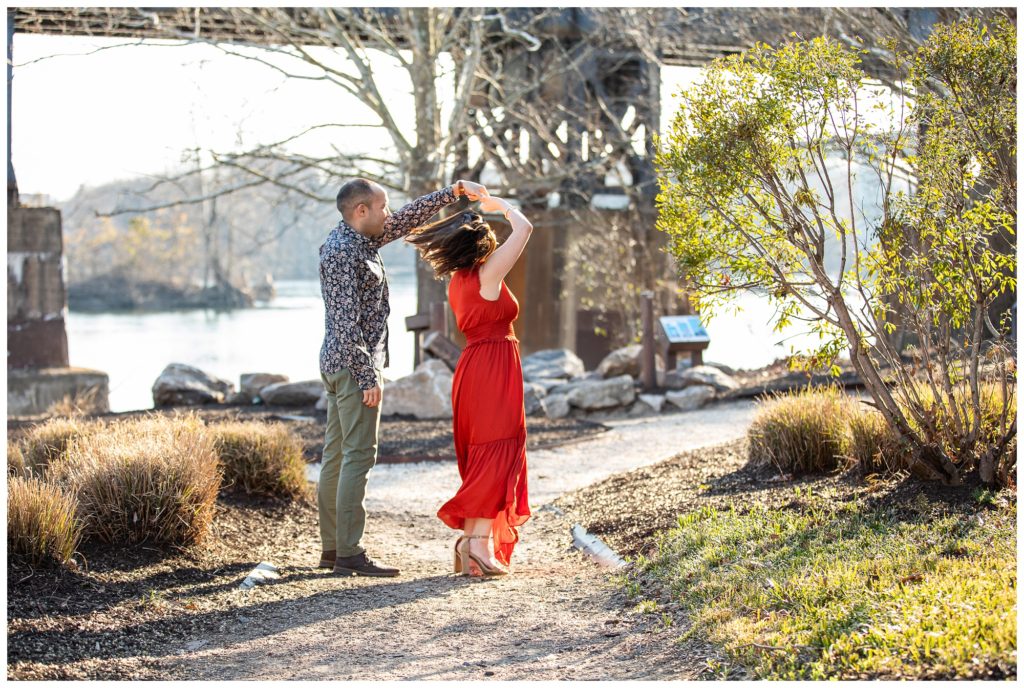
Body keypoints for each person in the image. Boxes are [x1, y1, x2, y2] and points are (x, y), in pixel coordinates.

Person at [318, 177, 487, 577]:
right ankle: (349, 553)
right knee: (357, 455)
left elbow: (407, 219)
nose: (388, 214)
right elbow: (346, 324)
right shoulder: (344, 252)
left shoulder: (358, 239)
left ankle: (333, 550)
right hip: (351, 366)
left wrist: (453, 192)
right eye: (382, 207)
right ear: (361, 211)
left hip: (339, 364)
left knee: (337, 455)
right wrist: (367, 376)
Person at [407, 192, 534, 576]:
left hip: (475, 368)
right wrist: (502, 205)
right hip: (494, 367)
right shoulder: (487, 274)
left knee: (487, 453)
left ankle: (471, 542)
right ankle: (477, 544)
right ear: (482, 246)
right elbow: (525, 228)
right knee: (498, 451)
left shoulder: (458, 282)